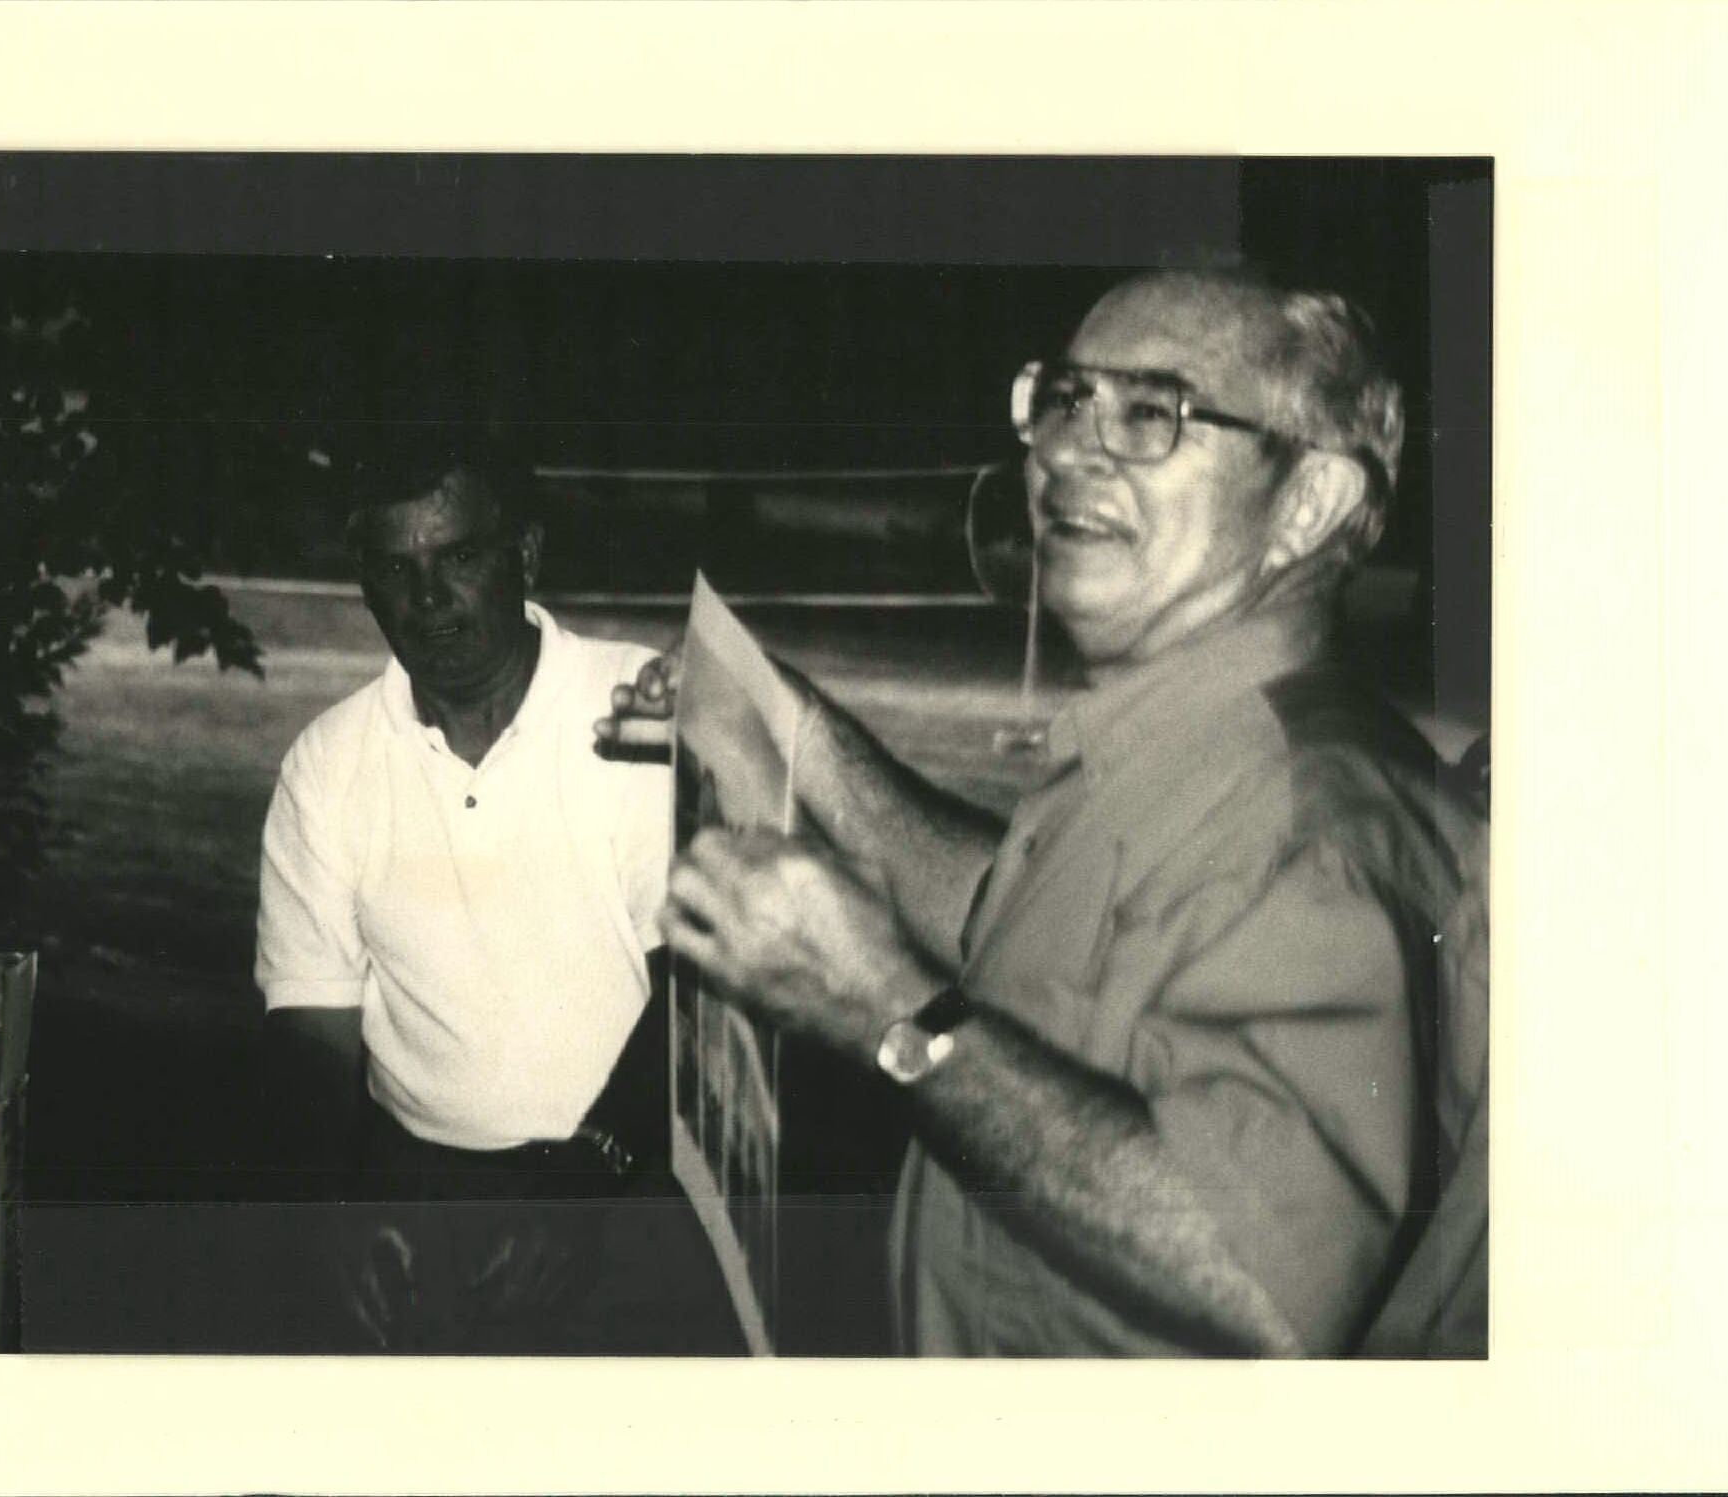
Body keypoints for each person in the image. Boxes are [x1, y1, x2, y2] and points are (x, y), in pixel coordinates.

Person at [599, 269, 1488, 1357]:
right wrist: (794, 731)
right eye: (1063, 399)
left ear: (1308, 504)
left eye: (1151, 414)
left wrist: (885, 1011)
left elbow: (1265, 1277)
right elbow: (1018, 927)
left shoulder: (1310, 826)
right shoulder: (1187, 746)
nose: (1067, 450)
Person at [254, 442, 741, 1354]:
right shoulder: (326, 764)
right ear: (362, 583)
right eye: (397, 569)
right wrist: (338, 1202)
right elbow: (309, 1024)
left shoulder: (640, 708)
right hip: (424, 1197)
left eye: (461, 557)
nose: (428, 598)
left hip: (636, 1175)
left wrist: (586, 1179)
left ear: (525, 556)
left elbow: (703, 979)